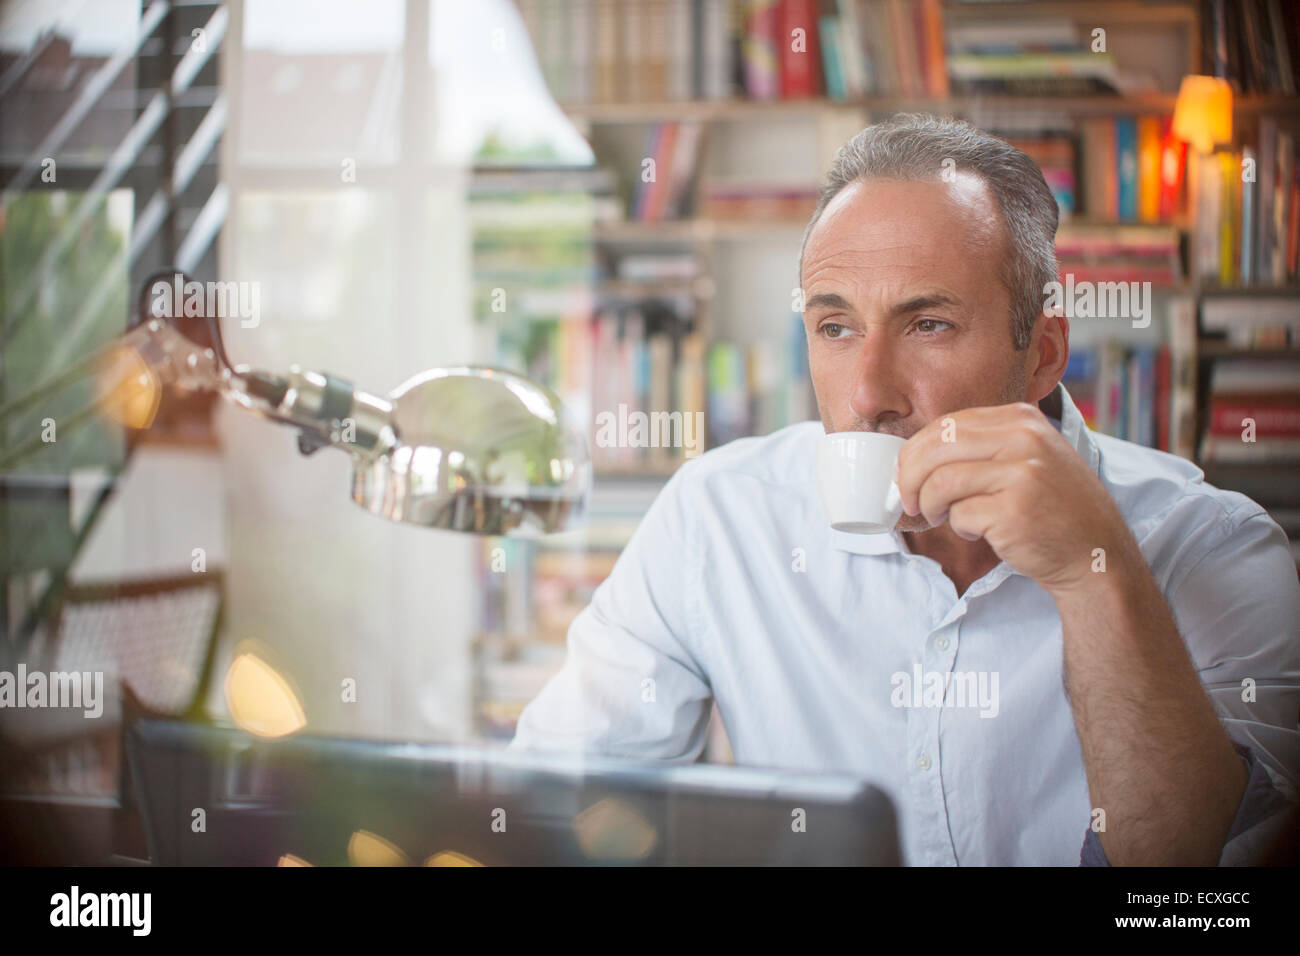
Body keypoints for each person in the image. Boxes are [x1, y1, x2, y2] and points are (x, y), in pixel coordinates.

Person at [510, 114, 1300, 866]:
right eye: (836, 328)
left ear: (1044, 355)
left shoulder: (1213, 545)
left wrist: (1093, 572)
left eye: (928, 325)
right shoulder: (717, 518)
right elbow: (555, 801)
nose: (866, 396)